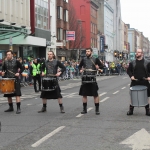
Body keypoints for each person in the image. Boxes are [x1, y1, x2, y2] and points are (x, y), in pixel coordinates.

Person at [78, 48, 103, 115]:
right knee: (84, 94)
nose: (87, 52)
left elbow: (102, 66)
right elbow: (79, 66)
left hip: (92, 78)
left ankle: (97, 110)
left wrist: (98, 67)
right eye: (86, 51)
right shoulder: (83, 59)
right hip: (85, 78)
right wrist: (80, 69)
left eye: (88, 51)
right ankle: (84, 109)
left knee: (95, 94)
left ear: (91, 52)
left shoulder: (95, 59)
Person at [127, 49, 150, 116]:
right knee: (132, 96)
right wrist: (131, 76)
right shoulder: (132, 62)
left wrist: (149, 77)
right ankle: (131, 110)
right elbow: (129, 70)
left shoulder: (147, 62)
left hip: (144, 81)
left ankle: (147, 111)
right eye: (136, 52)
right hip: (135, 82)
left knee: (146, 96)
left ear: (142, 54)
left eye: (138, 52)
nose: (137, 53)